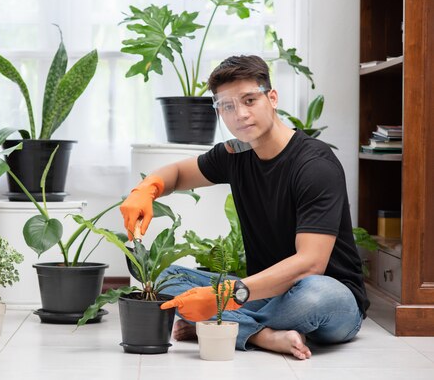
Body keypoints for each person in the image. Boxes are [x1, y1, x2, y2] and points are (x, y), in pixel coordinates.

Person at [120, 55, 369, 360]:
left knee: (315, 292)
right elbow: (179, 174)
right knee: (163, 277)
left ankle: (218, 325)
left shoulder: (314, 166)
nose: (240, 114)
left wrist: (223, 296)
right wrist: (147, 189)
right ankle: (263, 335)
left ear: (272, 98)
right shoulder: (235, 154)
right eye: (227, 106)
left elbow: (310, 263)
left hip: (330, 301)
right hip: (258, 294)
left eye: (250, 100)